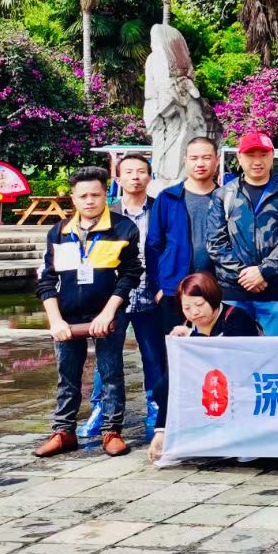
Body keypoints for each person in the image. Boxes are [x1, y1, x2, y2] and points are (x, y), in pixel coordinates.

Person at [34, 166, 141, 458]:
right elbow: (46, 280)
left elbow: (130, 275)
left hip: (107, 315)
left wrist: (108, 313)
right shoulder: (59, 232)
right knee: (66, 374)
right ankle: (63, 431)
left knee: (111, 372)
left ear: (106, 195)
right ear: (73, 198)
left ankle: (111, 431)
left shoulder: (123, 228)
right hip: (68, 317)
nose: (90, 201)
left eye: (95, 194)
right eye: (83, 196)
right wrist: (55, 320)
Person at [81, 153, 161, 440]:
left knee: (153, 355)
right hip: (112, 298)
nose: (135, 177)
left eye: (141, 171)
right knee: (107, 355)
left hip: (151, 294)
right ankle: (101, 408)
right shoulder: (106, 212)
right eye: (128, 172)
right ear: (118, 177)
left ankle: (155, 406)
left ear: (149, 176)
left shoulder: (160, 209)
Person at [146, 271, 261, 462]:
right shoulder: (185, 326)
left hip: (241, 384)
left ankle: (242, 440)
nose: (194, 313)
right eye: (187, 307)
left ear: (213, 298)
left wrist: (193, 338)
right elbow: (173, 376)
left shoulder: (236, 317)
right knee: (162, 386)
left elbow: (233, 358)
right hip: (205, 387)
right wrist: (161, 432)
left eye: (199, 305)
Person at [205, 131, 278, 337]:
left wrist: (263, 271)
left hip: (276, 289)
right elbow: (215, 243)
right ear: (240, 158)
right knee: (234, 352)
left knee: (277, 352)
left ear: (272, 156)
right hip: (233, 291)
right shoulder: (224, 194)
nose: (257, 161)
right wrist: (245, 275)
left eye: (263, 155)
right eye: (251, 155)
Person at [147, 136, 220, 332]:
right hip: (173, 289)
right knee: (174, 345)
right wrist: (158, 287)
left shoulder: (226, 197)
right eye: (194, 158)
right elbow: (154, 244)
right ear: (185, 160)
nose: (200, 163)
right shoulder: (168, 198)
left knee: (213, 345)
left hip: (214, 288)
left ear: (217, 160)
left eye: (206, 157)